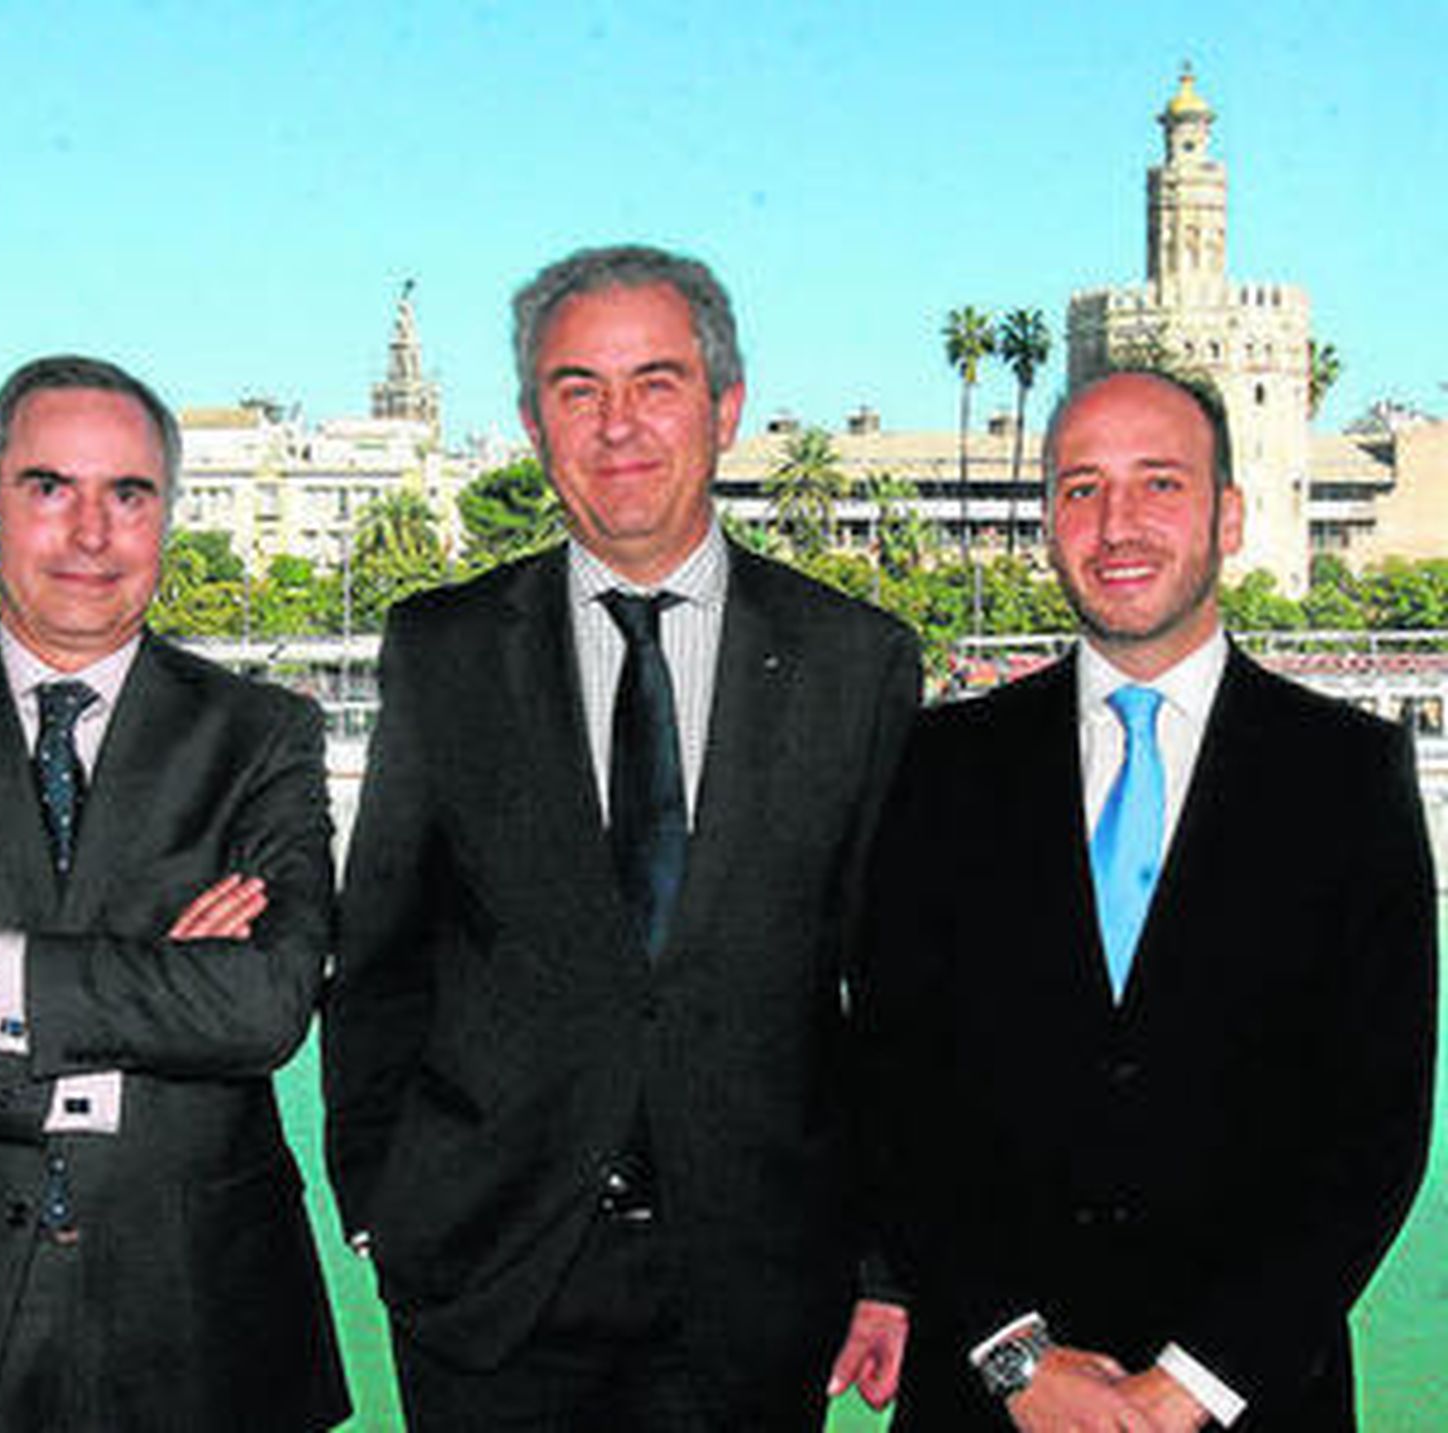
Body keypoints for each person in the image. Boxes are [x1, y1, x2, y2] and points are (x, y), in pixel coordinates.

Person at [325, 244, 921, 1430]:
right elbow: (382, 951)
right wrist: (378, 1202)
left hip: (755, 1286)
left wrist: (885, 1261)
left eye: (656, 381)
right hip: (485, 1285)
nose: (618, 425)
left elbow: (896, 997)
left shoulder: (854, 661)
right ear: (535, 426)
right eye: (576, 390)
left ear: (726, 408)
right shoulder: (442, 650)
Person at [860, 369, 1437, 1431]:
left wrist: (1198, 1381)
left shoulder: (1347, 774)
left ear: (1227, 515)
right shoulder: (942, 764)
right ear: (1046, 522)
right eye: (1080, 487)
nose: (1115, 522)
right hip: (987, 1399)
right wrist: (1013, 1356)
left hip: (1256, 1400)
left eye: (1158, 482)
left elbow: (1375, 1125)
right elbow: (895, 1088)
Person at [0, 355, 348, 1431]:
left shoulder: (263, 736)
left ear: (166, 512)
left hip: (206, 1315)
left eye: (128, 493)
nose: (91, 533)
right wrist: (156, 997)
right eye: (49, 487)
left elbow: (264, 1001)